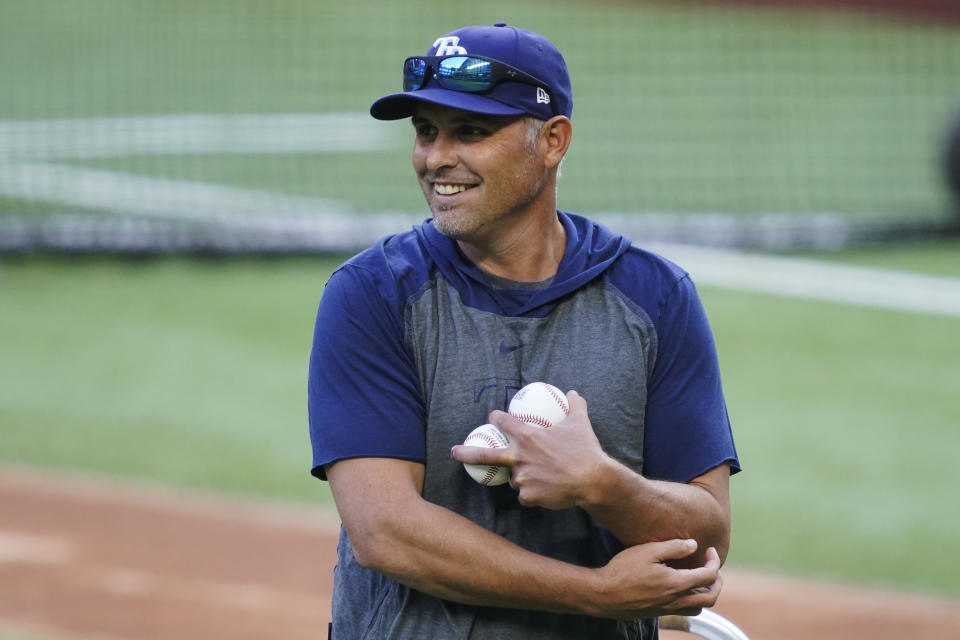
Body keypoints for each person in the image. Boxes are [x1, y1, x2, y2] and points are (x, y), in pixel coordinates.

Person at [308, 22, 740, 640]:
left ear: (553, 141)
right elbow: (385, 531)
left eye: (471, 132)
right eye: (426, 132)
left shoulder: (656, 298)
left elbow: (708, 535)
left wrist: (601, 483)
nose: (436, 158)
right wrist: (594, 594)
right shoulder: (373, 293)